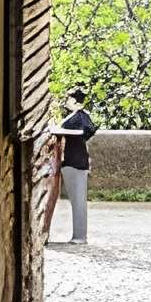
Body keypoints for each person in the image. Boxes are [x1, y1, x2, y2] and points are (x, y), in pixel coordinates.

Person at [46, 88, 97, 245]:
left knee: (78, 201)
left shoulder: (81, 117)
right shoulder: (74, 116)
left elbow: (86, 131)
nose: (66, 102)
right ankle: (78, 235)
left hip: (76, 162)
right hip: (71, 161)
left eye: (68, 99)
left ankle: (80, 236)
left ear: (75, 101)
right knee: (77, 200)